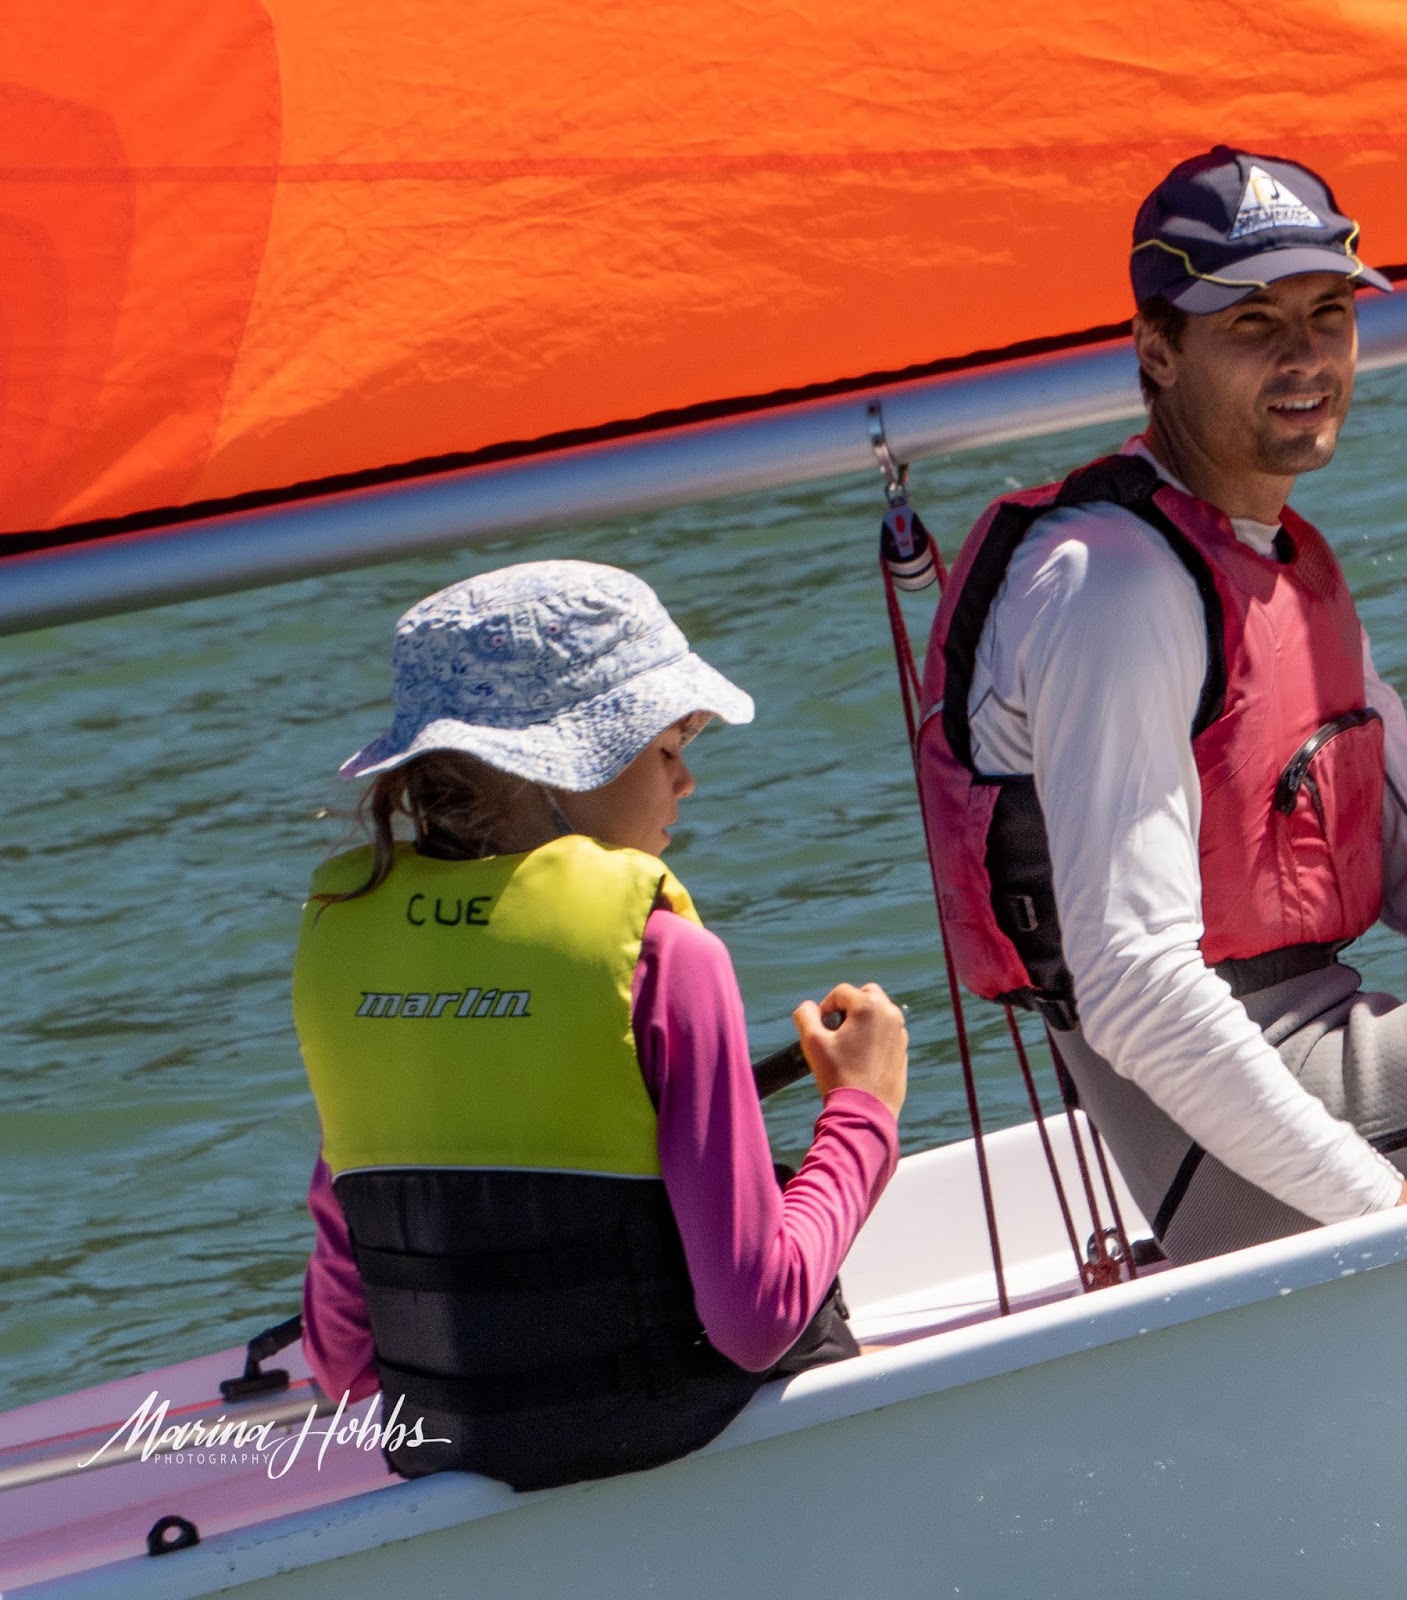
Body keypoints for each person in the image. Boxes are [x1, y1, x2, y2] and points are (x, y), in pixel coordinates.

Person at [294, 559, 907, 1490]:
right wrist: (861, 1109)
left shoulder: (348, 949)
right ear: (555, 772)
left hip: (464, 1466)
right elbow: (755, 1319)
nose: (687, 780)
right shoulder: (664, 956)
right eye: (668, 745)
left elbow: (343, 1362)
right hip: (681, 1452)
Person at [918, 145, 1407, 1265]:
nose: (1305, 356)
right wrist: (1377, 1212)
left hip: (1327, 1046)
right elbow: (1136, 989)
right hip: (1235, 1122)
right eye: (1250, 323)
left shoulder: (1282, 561)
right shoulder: (1116, 585)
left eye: (1329, 313)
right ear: (1157, 350)